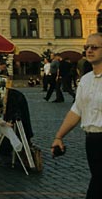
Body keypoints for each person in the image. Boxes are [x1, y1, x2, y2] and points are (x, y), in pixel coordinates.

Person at [52, 33, 102, 199]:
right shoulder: (86, 80)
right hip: (92, 141)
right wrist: (59, 136)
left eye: (94, 47)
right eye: (87, 47)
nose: (89, 50)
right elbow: (76, 111)